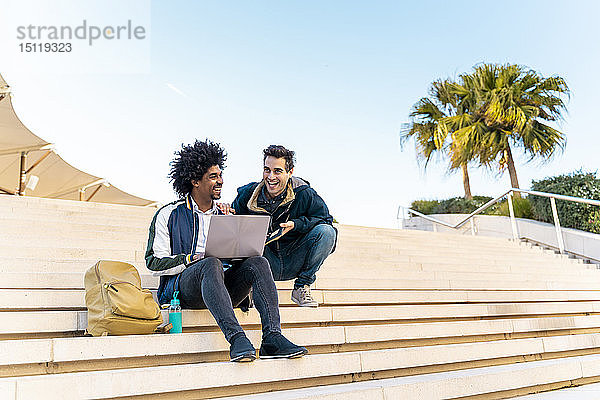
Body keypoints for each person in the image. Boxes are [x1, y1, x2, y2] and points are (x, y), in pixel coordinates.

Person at [145, 139, 307, 362]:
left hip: (220, 286)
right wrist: (192, 258)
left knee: (259, 262)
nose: (220, 181)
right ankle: (237, 338)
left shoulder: (225, 215)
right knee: (209, 263)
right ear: (194, 181)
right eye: (213, 177)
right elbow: (153, 262)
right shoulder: (169, 214)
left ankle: (272, 337)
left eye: (220, 175)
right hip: (184, 288)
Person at [232, 145, 337, 308]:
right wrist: (225, 213)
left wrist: (296, 224)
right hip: (264, 260)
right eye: (267, 170)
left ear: (290, 172)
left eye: (277, 171)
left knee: (327, 232)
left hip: (294, 257)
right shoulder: (247, 194)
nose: (271, 176)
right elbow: (232, 230)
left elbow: (325, 219)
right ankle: (247, 290)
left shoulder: (304, 193)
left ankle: (302, 286)